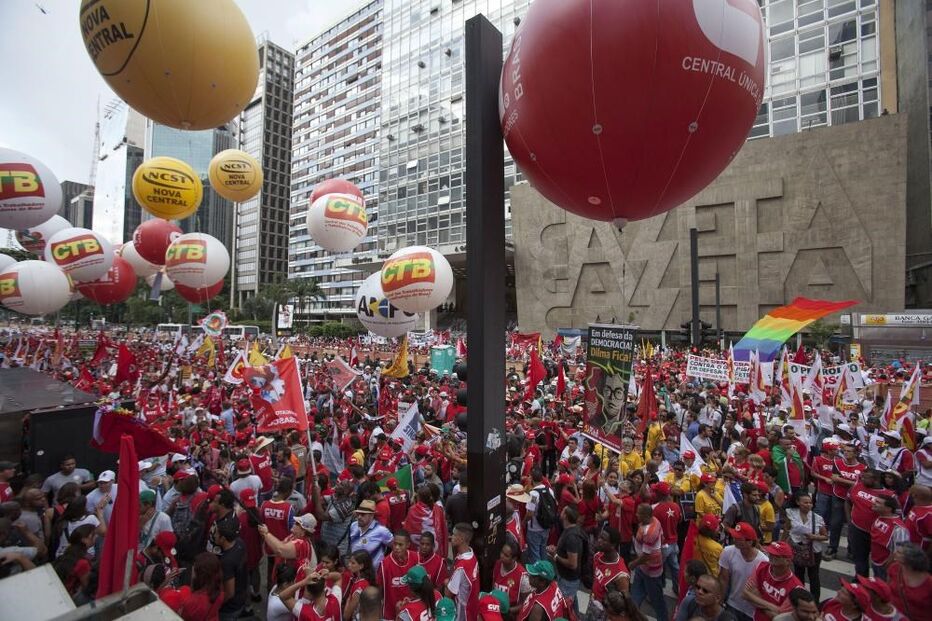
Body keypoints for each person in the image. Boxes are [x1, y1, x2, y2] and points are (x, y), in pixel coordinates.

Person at [847, 468, 895, 576]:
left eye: (865, 477)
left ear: (876, 479)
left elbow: (895, 516)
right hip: (857, 529)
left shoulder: (889, 495)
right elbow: (848, 501)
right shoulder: (856, 486)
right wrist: (849, 520)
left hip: (878, 534)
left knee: (878, 563)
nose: (861, 479)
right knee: (859, 559)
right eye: (862, 476)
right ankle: (860, 580)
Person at [742, 541, 803, 621]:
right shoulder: (761, 566)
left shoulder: (796, 587)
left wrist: (756, 598)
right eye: (770, 553)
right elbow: (745, 594)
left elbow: (781, 618)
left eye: (776, 556)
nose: (771, 556)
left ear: (787, 561)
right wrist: (773, 607)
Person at [782, 492, 826, 600]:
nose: (808, 505)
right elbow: (787, 530)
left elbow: (825, 536)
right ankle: (799, 599)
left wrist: (814, 537)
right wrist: (782, 544)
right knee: (798, 574)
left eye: (810, 503)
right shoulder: (791, 513)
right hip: (797, 550)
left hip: (814, 551)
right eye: (805, 502)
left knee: (813, 576)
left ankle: (815, 602)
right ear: (798, 502)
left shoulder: (817, 518)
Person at [718, 522, 766, 621]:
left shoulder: (763, 562)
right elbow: (723, 580)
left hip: (752, 611)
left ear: (749, 542)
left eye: (739, 538)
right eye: (734, 536)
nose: (734, 539)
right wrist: (719, 603)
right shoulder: (728, 552)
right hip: (732, 605)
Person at [629, 503, 667, 621]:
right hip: (643, 568)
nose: (636, 514)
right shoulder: (653, 520)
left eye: (638, 513)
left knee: (657, 600)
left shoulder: (650, 532)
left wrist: (633, 564)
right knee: (635, 596)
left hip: (651, 570)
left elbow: (646, 555)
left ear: (645, 515)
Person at [258, 513, 318, 585]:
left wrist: (266, 534)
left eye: (297, 523)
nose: (294, 523)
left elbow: (280, 550)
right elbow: (279, 545)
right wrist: (265, 535)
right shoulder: (293, 536)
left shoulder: (302, 543)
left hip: (289, 584)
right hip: (283, 579)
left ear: (303, 531)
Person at [548, 506, 585, 611]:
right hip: (565, 577)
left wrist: (555, 555)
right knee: (572, 602)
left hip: (568, 580)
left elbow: (573, 564)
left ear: (565, 516)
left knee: (564, 607)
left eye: (563, 511)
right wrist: (557, 550)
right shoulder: (570, 530)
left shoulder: (571, 537)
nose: (560, 512)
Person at [589, 526, 630, 621]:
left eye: (603, 539)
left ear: (613, 545)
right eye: (600, 537)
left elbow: (624, 602)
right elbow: (596, 579)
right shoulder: (597, 556)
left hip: (606, 613)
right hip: (593, 603)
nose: (599, 540)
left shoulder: (620, 574)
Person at [377, 528, 418, 620]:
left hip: (411, 614)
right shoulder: (384, 565)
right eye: (395, 544)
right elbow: (379, 591)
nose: (396, 547)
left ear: (408, 545)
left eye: (400, 545)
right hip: (390, 615)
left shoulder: (416, 558)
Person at [886, 542, 932, 621]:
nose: (895, 553)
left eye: (899, 553)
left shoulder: (929, 583)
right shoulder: (894, 568)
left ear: (910, 558)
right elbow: (887, 590)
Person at [213, 521, 247, 621]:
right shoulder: (240, 543)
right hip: (240, 598)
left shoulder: (226, 561)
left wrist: (216, 606)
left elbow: (229, 593)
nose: (214, 535)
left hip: (229, 609)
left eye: (216, 533)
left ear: (223, 538)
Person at [278, 568, 343, 621]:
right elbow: (339, 577)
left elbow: (283, 596)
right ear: (325, 585)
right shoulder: (335, 600)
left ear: (308, 592)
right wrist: (328, 575)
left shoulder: (305, 612)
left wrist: (304, 581)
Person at [446, 522, 480, 621]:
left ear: (461, 539)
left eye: (454, 534)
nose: (451, 537)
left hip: (463, 613)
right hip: (472, 606)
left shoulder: (461, 567)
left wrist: (446, 583)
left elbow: (449, 594)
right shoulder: (471, 554)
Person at [349, 499, 394, 570]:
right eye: (358, 514)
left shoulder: (382, 531)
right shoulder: (353, 526)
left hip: (373, 573)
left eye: (363, 514)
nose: (359, 517)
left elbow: (394, 546)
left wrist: (386, 564)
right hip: (355, 572)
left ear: (372, 515)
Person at [526, 468, 554, 564]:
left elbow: (530, 513)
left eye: (529, 476)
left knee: (535, 554)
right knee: (543, 551)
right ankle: (545, 573)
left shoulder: (533, 495)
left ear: (532, 479)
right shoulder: (550, 490)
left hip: (534, 529)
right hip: (546, 527)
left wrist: (523, 522)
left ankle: (537, 576)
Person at [492, 539, 528, 611]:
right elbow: (493, 587)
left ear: (514, 558)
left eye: (506, 555)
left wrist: (510, 610)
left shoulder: (522, 576)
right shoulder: (498, 564)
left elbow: (526, 603)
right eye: (502, 552)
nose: (502, 556)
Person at [343, 550, 376, 621]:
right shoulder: (364, 580)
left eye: (353, 563)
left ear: (361, 566)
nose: (349, 565)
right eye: (349, 562)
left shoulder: (359, 587)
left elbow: (346, 615)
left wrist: (348, 600)